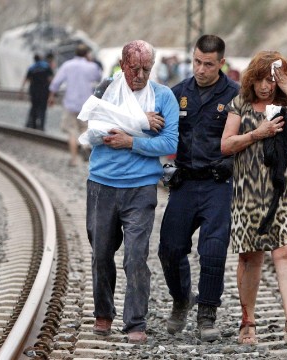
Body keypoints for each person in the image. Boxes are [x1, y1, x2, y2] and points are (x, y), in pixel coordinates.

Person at [220, 51, 287, 345]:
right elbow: (226, 145)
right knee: (250, 256)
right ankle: (247, 321)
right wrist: (257, 134)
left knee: (286, 252)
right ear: (252, 78)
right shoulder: (240, 103)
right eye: (261, 79)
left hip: (286, 190)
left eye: (271, 79)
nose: (265, 86)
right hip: (248, 191)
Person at [84, 40, 179, 344]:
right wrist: (140, 122)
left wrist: (131, 140)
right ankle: (103, 313)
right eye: (134, 68)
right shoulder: (106, 89)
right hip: (102, 184)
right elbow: (94, 131)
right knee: (101, 255)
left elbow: (170, 144)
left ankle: (135, 322)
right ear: (122, 65)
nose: (139, 75)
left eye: (146, 69)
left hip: (140, 188)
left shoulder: (163, 96)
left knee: (136, 257)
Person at [158, 35, 240, 342]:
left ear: (221, 63)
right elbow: (161, 131)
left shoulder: (235, 95)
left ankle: (207, 314)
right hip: (186, 182)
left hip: (219, 183)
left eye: (208, 64)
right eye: (196, 62)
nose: (201, 69)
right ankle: (181, 300)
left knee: (214, 249)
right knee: (169, 248)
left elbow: (248, 139)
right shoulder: (178, 92)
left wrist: (234, 164)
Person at [49, 44, 102, 166]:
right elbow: (99, 77)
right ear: (87, 54)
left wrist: (51, 97)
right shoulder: (91, 66)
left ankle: (73, 159)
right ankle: (85, 146)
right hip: (86, 103)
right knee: (85, 128)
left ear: (75, 53)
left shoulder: (67, 66)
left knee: (72, 131)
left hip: (70, 103)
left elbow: (56, 82)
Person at [20, 54, 53, 131]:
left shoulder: (31, 68)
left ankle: (33, 125)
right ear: (41, 58)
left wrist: (21, 90)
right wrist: (52, 91)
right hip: (44, 91)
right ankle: (41, 126)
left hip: (34, 91)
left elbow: (26, 79)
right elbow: (50, 79)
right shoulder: (46, 67)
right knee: (43, 109)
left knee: (34, 107)